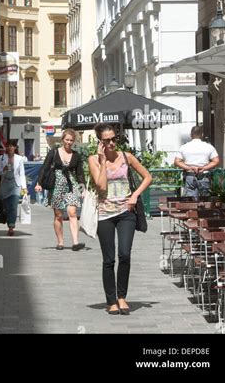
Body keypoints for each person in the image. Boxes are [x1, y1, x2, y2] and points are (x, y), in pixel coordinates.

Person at [88, 123, 152, 315]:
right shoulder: (93, 160)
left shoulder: (127, 157)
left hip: (126, 212)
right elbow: (100, 187)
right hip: (104, 214)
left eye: (114, 139)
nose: (111, 143)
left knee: (124, 254)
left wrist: (134, 196)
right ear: (100, 142)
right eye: (106, 140)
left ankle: (122, 297)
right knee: (108, 259)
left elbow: (148, 177)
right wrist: (102, 161)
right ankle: (111, 301)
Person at [35, 129, 85, 251]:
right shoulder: (54, 152)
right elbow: (44, 168)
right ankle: (60, 242)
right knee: (58, 215)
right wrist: (39, 183)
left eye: (71, 140)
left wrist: (83, 188)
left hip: (71, 185)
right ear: (62, 139)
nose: (69, 142)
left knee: (72, 212)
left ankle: (75, 242)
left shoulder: (76, 155)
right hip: (56, 185)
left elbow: (80, 174)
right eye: (67, 139)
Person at [174, 125, 220, 199]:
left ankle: (192, 210)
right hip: (204, 175)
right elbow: (216, 161)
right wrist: (204, 168)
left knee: (191, 200)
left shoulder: (184, 147)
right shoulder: (209, 146)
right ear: (202, 134)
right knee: (205, 200)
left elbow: (177, 162)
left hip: (190, 175)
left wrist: (189, 167)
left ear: (191, 135)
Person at [0, 140, 28, 235]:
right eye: (8, 146)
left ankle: (11, 226)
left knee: (13, 206)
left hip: (16, 185)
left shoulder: (19, 158)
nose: (10, 148)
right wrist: (3, 169)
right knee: (6, 207)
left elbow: (22, 174)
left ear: (15, 148)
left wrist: (24, 187)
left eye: (12, 146)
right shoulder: (2, 158)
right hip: (5, 184)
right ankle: (8, 220)